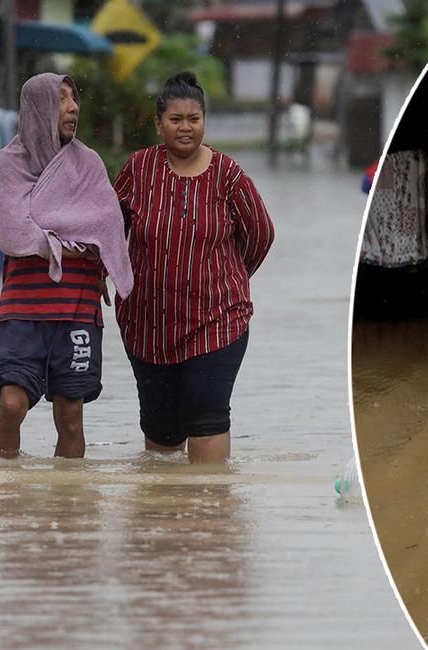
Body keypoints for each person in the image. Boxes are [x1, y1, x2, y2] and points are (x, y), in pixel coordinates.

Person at [113, 71, 275, 464]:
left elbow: (261, 236)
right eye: (175, 120)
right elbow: (111, 230)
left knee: (206, 417)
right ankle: (169, 518)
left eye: (194, 119)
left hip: (216, 322)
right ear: (158, 123)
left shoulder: (228, 175)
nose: (185, 128)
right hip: (148, 325)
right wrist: (108, 273)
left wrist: (225, 280)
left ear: (204, 120)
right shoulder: (138, 170)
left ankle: (211, 517)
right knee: (162, 436)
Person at [0, 73, 133, 458]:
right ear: (37, 110)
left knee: (70, 415)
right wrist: (71, 247)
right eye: (61, 100)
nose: (73, 108)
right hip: (22, 308)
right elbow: (13, 233)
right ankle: (6, 494)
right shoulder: (9, 165)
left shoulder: (88, 164)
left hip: (76, 305)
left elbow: (106, 227)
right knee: (12, 405)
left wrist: (66, 242)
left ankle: (69, 508)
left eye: (74, 99)